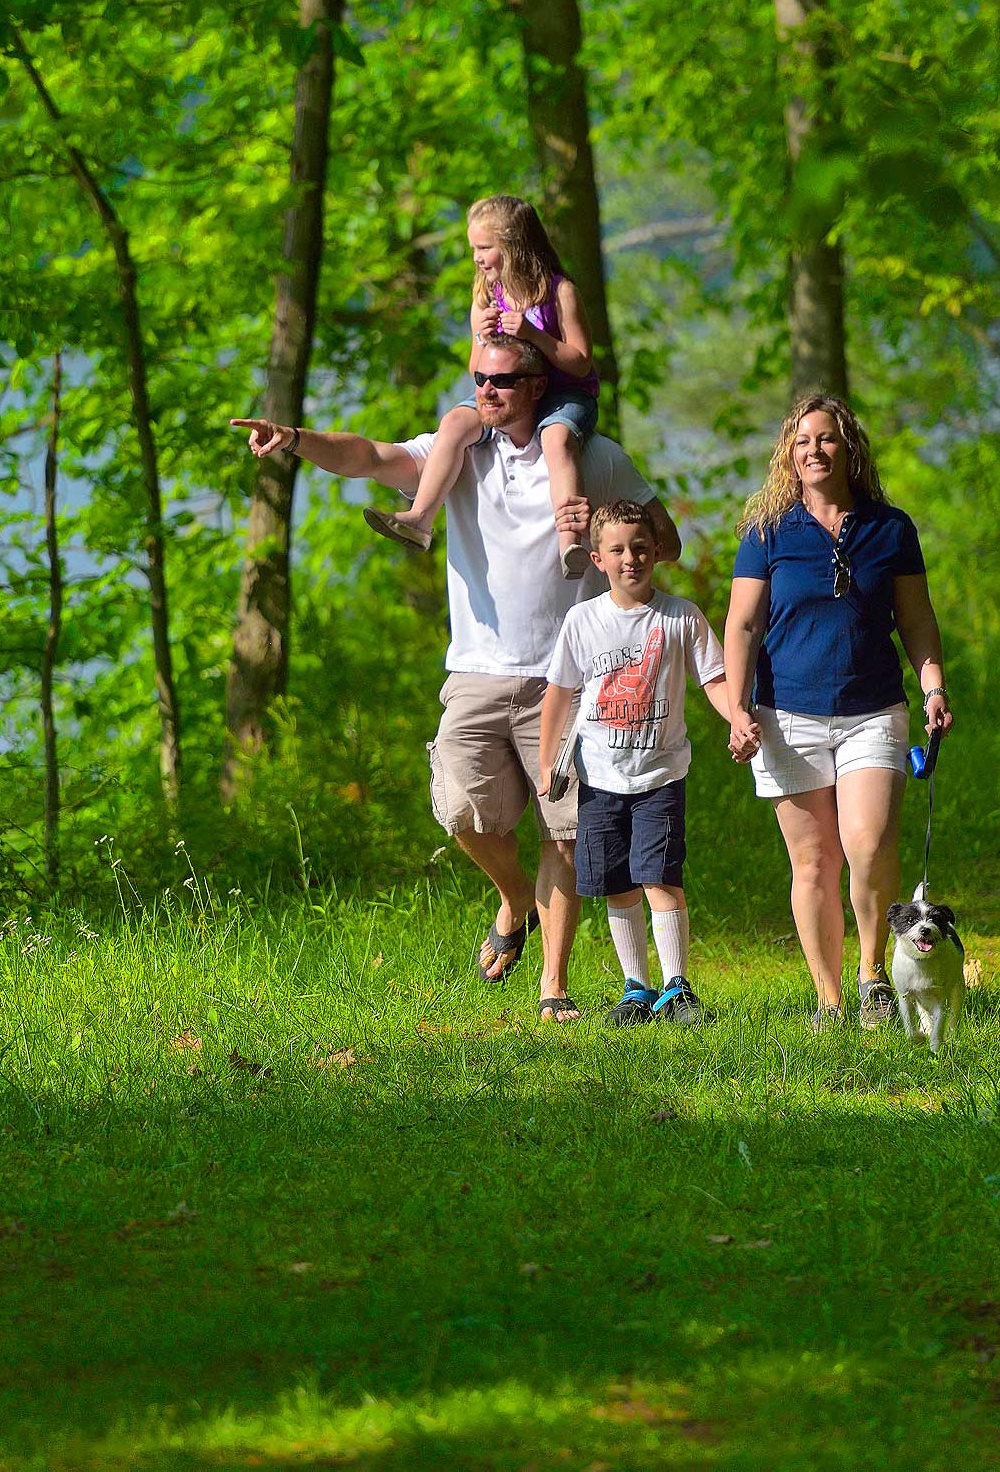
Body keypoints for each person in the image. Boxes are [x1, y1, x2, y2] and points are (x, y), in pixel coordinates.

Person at [232, 333, 679, 1023]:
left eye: (502, 380)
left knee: (565, 833)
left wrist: (606, 536)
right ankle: (513, 898)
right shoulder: (459, 454)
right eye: (479, 378)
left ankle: (553, 989)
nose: (486, 390)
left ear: (537, 384)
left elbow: (665, 542)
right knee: (461, 810)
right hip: (475, 671)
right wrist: (292, 436)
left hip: (569, 678)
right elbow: (368, 457)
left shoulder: (595, 457)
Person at [721, 395, 953, 1030]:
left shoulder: (891, 528)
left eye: (825, 439)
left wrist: (932, 686)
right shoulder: (767, 531)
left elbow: (916, 620)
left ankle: (873, 972)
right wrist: (738, 710)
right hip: (785, 715)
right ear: (788, 456)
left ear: (848, 448)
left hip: (872, 709)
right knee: (814, 861)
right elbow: (742, 625)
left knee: (869, 842)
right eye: (801, 443)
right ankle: (829, 999)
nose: (813, 451)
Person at [537, 500, 746, 1028]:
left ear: (656, 552)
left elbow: (714, 680)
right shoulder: (583, 620)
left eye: (640, 547)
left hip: (660, 775)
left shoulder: (680, 617)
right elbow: (560, 695)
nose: (631, 558)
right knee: (616, 882)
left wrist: (736, 719)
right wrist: (545, 764)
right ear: (597, 558)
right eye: (618, 550)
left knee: (659, 876)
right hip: (600, 778)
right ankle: (637, 988)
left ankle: (676, 987)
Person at [365, 196, 602, 578]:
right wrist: (483, 336)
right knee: (454, 423)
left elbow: (580, 361)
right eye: (473, 247)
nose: (476, 257)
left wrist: (532, 335)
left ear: (514, 246)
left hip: (563, 395)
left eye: (484, 248)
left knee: (556, 440)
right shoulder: (486, 297)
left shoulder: (559, 292)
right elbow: (478, 369)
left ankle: (570, 540)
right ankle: (419, 518)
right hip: (508, 394)